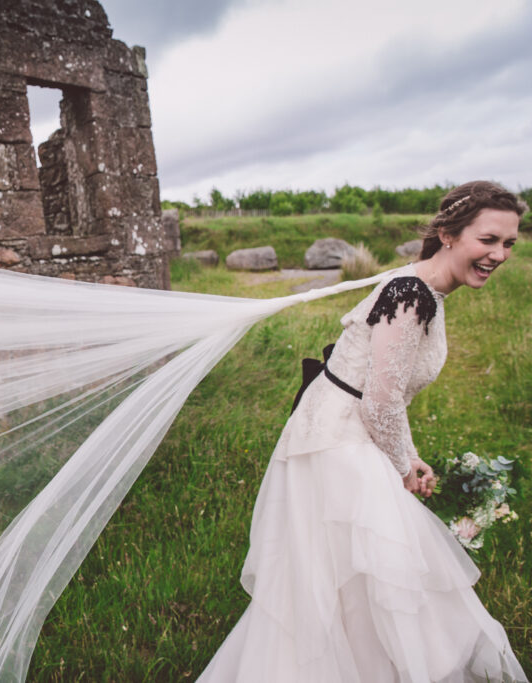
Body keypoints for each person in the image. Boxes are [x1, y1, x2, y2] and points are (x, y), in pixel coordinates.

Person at [197, 181, 528, 681]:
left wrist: (408, 454)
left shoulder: (424, 290)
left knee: (353, 582)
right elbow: (379, 401)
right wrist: (404, 467)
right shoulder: (410, 292)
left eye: (509, 244)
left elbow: (384, 394)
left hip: (346, 431)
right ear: (448, 234)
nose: (499, 254)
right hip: (336, 442)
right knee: (369, 577)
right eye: (488, 240)